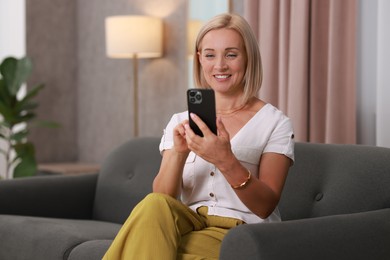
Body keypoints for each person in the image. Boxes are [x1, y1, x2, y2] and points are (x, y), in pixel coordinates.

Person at [103, 13, 294, 260]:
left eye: (231, 54)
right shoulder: (181, 120)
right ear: (200, 59)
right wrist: (179, 154)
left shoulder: (274, 122)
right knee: (152, 204)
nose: (220, 65)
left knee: (144, 246)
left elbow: (265, 205)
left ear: (248, 58)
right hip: (188, 222)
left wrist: (226, 160)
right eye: (210, 54)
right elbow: (163, 197)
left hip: (241, 231)